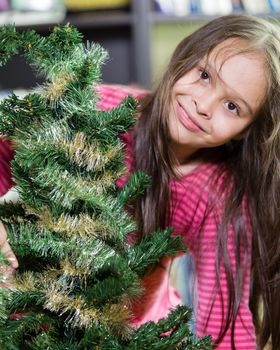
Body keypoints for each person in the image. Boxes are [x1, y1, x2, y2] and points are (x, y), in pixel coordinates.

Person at [0, 14, 280, 349]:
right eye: (204, 75)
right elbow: (8, 149)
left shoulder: (217, 194)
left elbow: (226, 323)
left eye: (232, 106)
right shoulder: (96, 112)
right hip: (29, 318)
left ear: (248, 130)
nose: (203, 106)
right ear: (185, 57)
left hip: (129, 333)